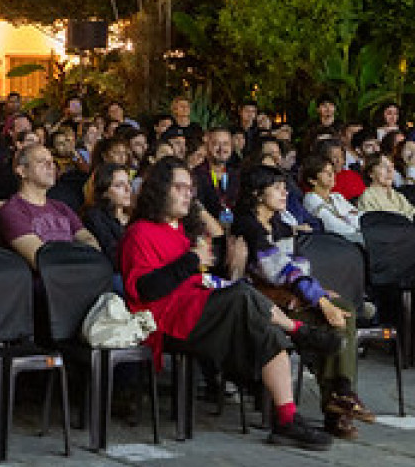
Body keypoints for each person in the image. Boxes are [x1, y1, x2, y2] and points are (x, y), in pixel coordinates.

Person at [120, 157, 339, 450]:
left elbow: (201, 281)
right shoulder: (139, 233)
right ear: (160, 190)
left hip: (196, 309)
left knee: (262, 325)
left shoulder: (181, 232)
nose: (188, 194)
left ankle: (287, 418)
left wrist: (230, 268)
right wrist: (191, 261)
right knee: (241, 297)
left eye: (190, 188)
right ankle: (298, 330)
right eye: (180, 187)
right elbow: (146, 290)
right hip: (167, 318)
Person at [233, 165, 375, 437]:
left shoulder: (283, 226)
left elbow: (300, 268)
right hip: (262, 307)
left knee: (342, 311)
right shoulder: (247, 226)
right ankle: (339, 400)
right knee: (332, 318)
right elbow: (275, 269)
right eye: (277, 187)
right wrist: (320, 300)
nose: (285, 191)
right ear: (257, 193)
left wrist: (319, 293)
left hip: (290, 301)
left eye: (284, 186)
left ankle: (340, 398)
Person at [0, 143, 99, 268]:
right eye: (41, 161)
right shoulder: (13, 210)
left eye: (52, 161)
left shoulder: (61, 207)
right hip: (48, 283)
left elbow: (88, 240)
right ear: (22, 171)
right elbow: (41, 259)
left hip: (78, 273)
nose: (51, 166)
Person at [81, 162, 135, 268]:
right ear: (104, 192)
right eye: (119, 185)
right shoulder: (95, 217)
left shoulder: (135, 215)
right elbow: (113, 258)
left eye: (129, 183)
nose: (128, 189)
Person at [300, 157, 364, 245]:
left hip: (356, 236)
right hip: (337, 243)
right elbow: (333, 225)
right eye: (325, 172)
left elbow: (360, 216)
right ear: (312, 180)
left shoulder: (337, 196)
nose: (331, 174)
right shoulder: (311, 199)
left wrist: (348, 218)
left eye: (332, 171)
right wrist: (349, 217)